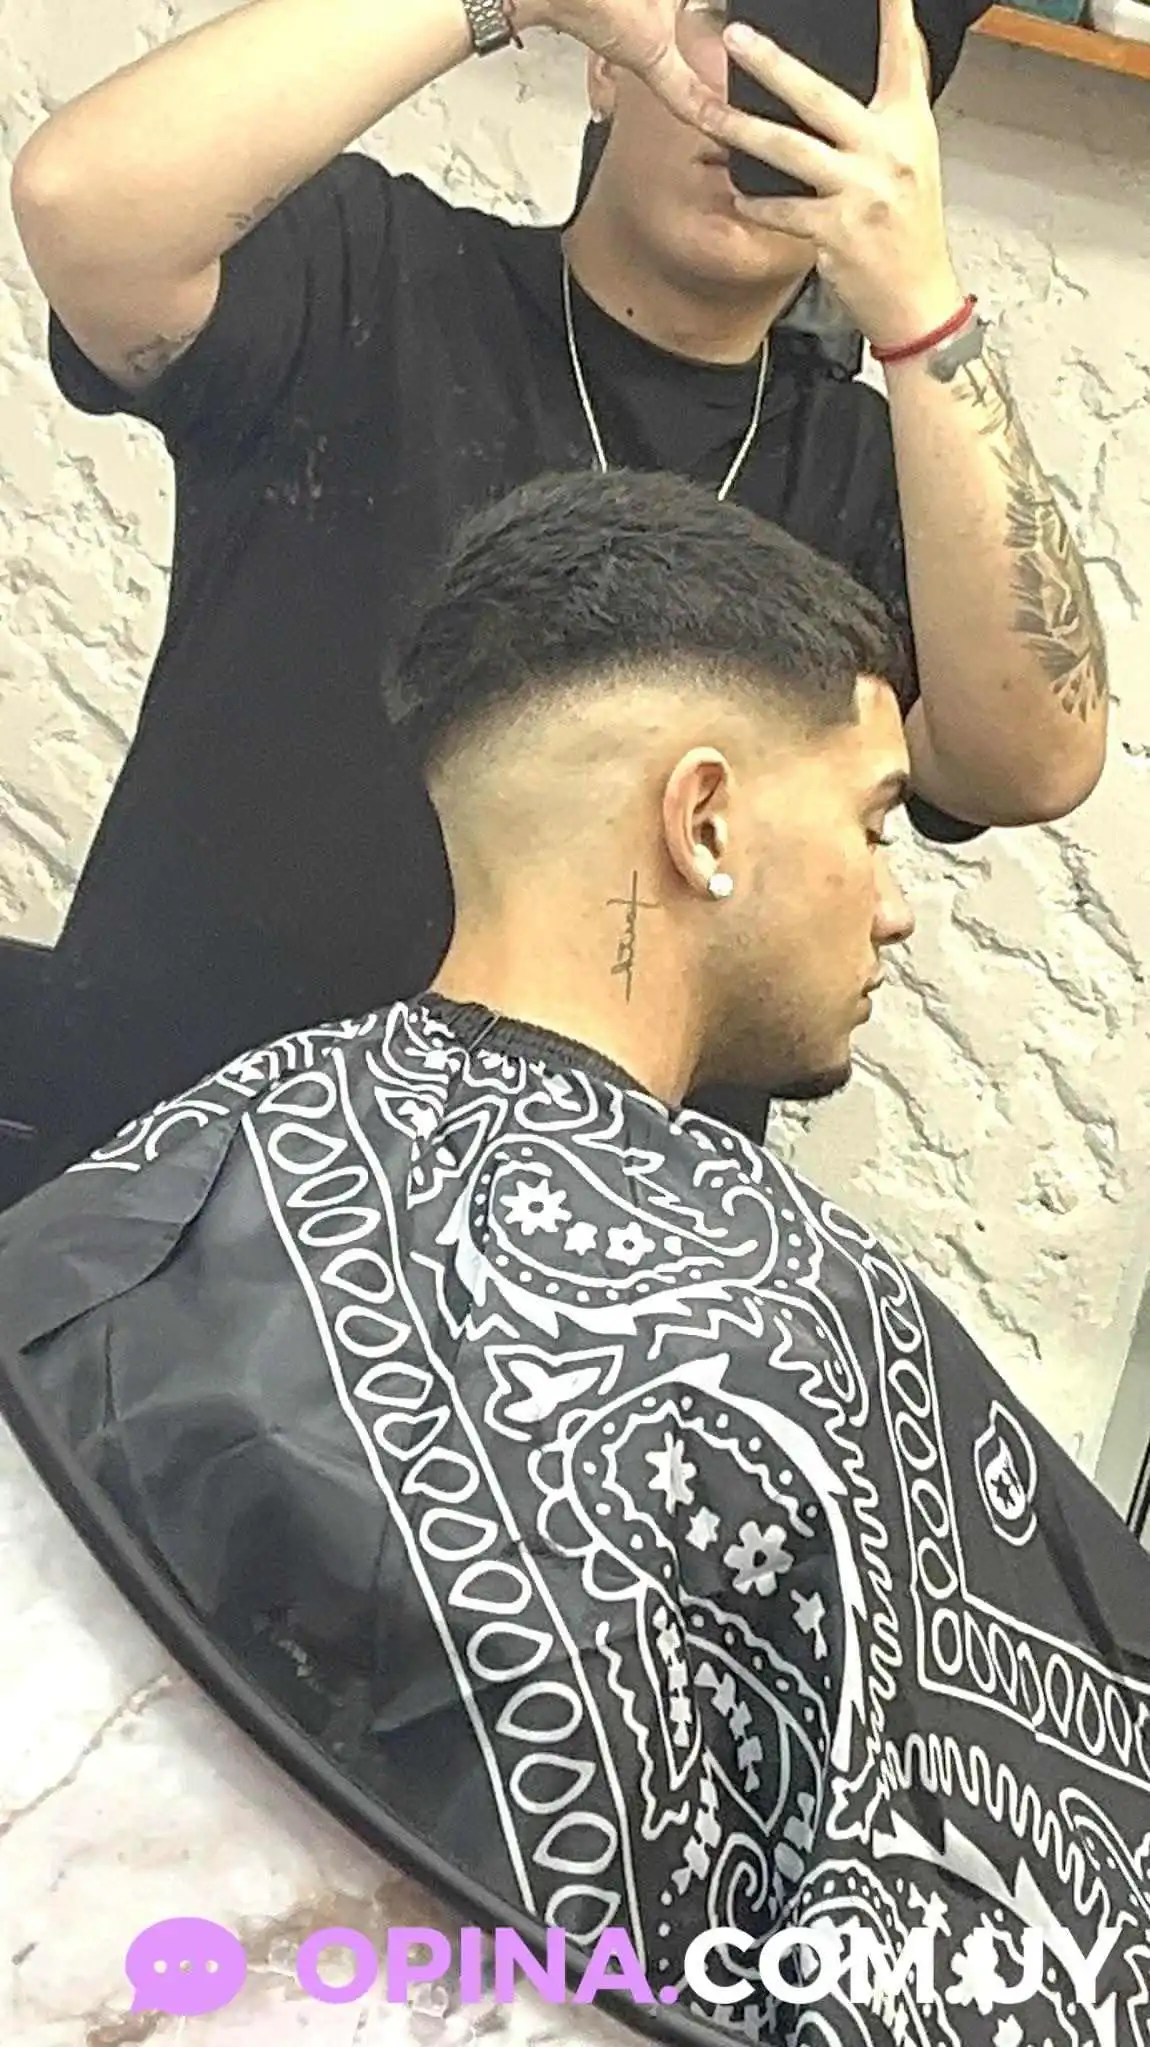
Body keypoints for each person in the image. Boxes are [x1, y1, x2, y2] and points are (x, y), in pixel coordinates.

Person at [0, 474, 1142, 2047]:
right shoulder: (790, 1327)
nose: (891, 908)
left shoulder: (168, 1171)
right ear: (704, 818)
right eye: (874, 822)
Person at [9, 0, 1107, 1176]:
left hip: (584, 1253)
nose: (761, 83)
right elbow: (82, 208)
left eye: (834, 59)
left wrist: (922, 305)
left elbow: (1031, 762)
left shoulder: (866, 479)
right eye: (724, 17)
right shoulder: (374, 275)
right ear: (603, 64)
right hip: (161, 1198)